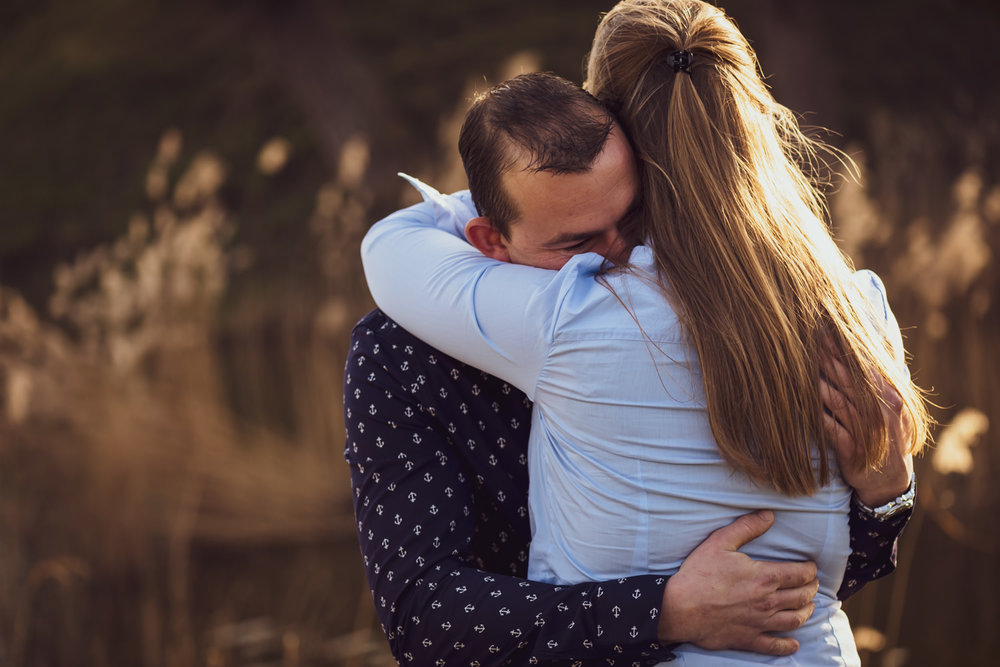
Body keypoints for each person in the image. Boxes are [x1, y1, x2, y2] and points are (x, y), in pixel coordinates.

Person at [347, 5, 923, 667]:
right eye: (577, 240)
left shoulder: (776, 313)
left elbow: (807, 583)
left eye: (634, 212)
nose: (614, 256)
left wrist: (887, 493)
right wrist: (662, 609)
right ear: (487, 235)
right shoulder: (408, 353)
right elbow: (428, 621)